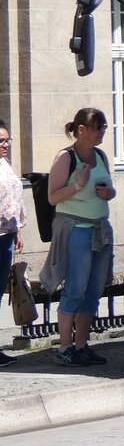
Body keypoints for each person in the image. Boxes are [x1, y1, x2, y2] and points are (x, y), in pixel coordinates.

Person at [39, 108, 116, 368]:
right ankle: (65, 348)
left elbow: (108, 187)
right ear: (82, 129)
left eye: (104, 127)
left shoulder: (100, 155)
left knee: (94, 291)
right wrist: (78, 185)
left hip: (100, 229)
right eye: (98, 127)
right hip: (76, 230)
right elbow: (52, 197)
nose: (103, 131)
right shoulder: (65, 157)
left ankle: (82, 346)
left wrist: (109, 193)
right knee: (75, 289)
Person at [0, 120, 27, 368]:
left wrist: (17, 229)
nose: (5, 145)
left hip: (6, 236)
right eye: (1, 141)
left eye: (7, 140)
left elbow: (14, 196)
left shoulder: (4, 164)